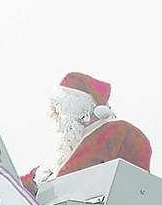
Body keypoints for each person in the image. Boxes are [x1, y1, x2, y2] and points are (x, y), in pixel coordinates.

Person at [22, 72, 152, 194]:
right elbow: (17, 186)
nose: (56, 118)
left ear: (82, 109)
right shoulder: (60, 155)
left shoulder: (120, 133)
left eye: (59, 110)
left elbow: (139, 189)